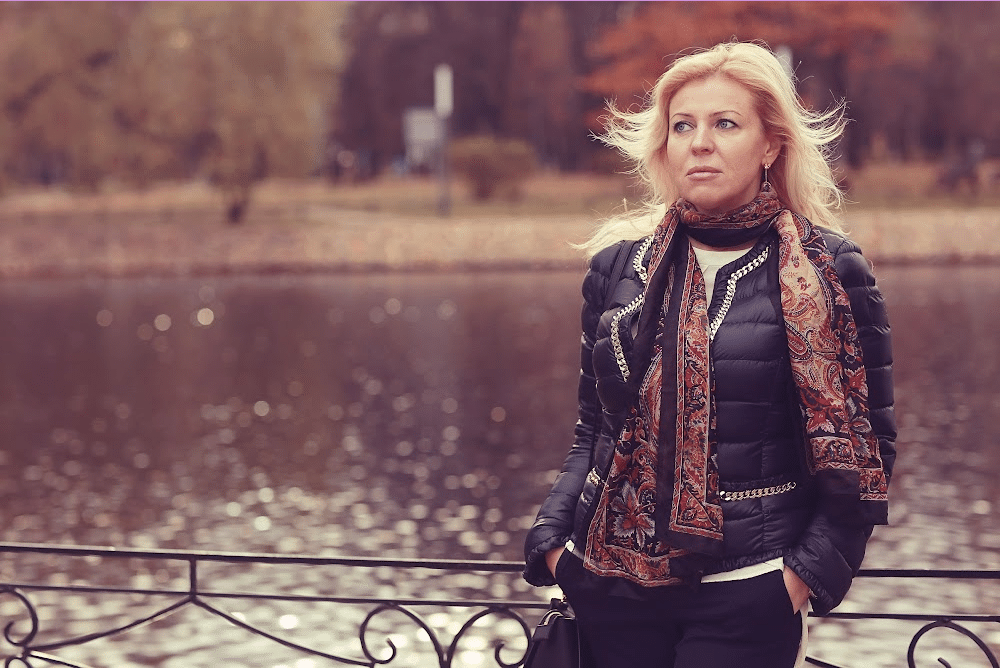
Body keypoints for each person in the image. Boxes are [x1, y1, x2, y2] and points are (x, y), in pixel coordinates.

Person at [522, 41, 896, 668]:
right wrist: (553, 539)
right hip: (612, 584)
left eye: (725, 124)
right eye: (682, 126)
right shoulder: (620, 269)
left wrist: (801, 576)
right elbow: (594, 427)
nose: (700, 142)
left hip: (750, 586)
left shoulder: (831, 270)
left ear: (770, 144)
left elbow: (868, 448)